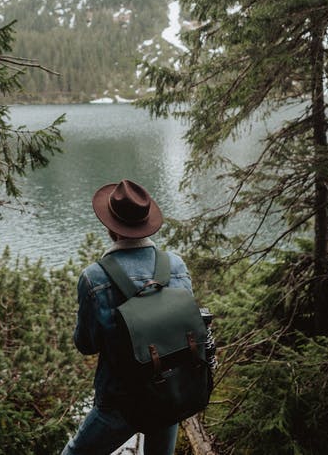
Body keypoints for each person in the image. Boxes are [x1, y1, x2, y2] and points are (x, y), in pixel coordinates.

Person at [61, 178, 215, 455]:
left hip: (120, 401)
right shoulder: (175, 265)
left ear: (110, 226)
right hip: (169, 390)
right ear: (146, 223)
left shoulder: (94, 277)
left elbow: (86, 344)